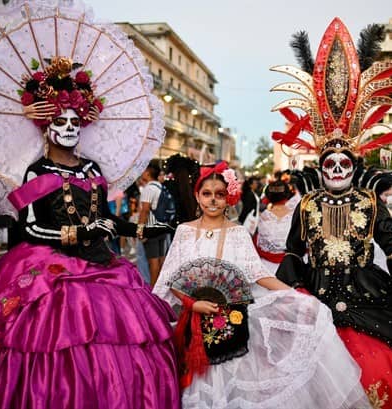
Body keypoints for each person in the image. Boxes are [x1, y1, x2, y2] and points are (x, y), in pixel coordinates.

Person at [0, 50, 179, 408]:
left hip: (101, 266)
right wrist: (79, 234)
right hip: (49, 265)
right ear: (47, 127)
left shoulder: (93, 170)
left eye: (75, 123)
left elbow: (107, 217)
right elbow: (30, 227)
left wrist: (143, 230)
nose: (69, 129)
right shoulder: (37, 172)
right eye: (60, 123)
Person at [272, 18, 392, 407]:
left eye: (346, 162)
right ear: (321, 165)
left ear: (355, 164)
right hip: (319, 291)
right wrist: (293, 291)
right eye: (332, 163)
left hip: (368, 292)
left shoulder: (370, 201)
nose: (339, 169)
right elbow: (294, 252)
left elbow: (391, 246)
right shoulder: (307, 204)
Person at [153, 163, 369, 409]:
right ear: (197, 196)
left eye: (219, 194)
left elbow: (259, 274)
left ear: (228, 198)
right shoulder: (184, 231)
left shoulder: (238, 233)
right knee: (199, 387)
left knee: (230, 386)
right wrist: (185, 305)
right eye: (207, 194)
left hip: (231, 320)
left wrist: (295, 295)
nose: (213, 200)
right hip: (193, 322)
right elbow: (170, 278)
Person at [139, 161, 170, 285]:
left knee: (153, 261)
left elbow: (145, 211)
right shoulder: (161, 186)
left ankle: (153, 290)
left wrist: (140, 230)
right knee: (161, 258)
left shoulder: (148, 189)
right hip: (162, 227)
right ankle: (161, 288)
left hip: (151, 229)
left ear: (147, 173)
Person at [255, 180, 295, 274]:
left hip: (267, 266)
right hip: (291, 266)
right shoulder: (294, 215)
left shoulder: (263, 216)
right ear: (287, 195)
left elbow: (260, 243)